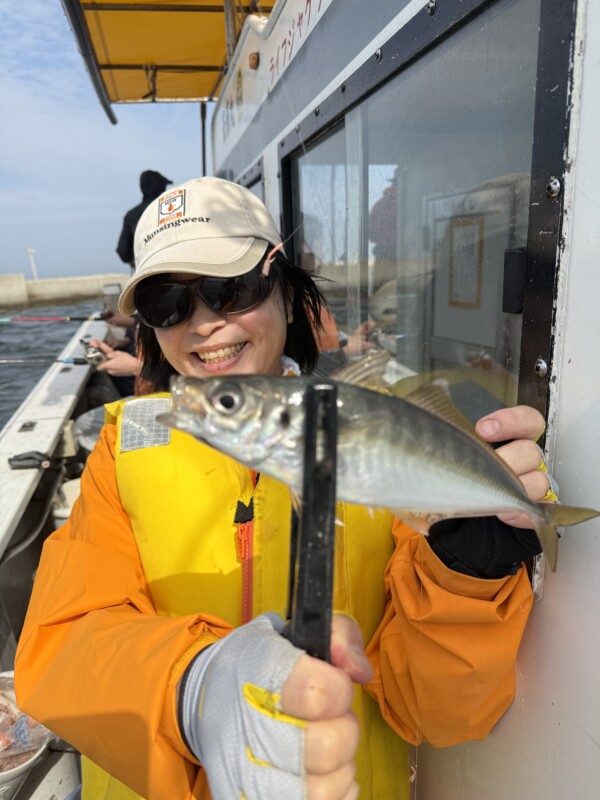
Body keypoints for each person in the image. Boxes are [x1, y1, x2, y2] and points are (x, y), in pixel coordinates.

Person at [15, 177, 553, 800]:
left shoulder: (387, 441)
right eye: (168, 304)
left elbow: (438, 712)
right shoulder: (123, 450)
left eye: (230, 288)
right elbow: (62, 649)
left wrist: (465, 572)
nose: (204, 325)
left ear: (285, 291)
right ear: (150, 330)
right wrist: (194, 689)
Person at [116, 170, 173, 268]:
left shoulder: (131, 216)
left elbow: (123, 251)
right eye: (164, 186)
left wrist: (137, 262)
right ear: (160, 187)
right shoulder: (170, 209)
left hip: (145, 271)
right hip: (171, 266)